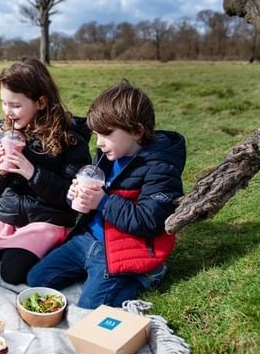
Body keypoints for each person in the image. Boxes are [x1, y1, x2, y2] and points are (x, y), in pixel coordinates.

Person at [27, 80, 186, 309]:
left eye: (106, 134)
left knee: (90, 307)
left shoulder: (160, 167)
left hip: (123, 247)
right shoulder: (107, 155)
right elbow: (93, 195)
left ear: (136, 131)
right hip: (88, 239)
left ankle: (148, 274)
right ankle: (92, 272)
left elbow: (150, 221)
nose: (99, 143)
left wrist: (102, 201)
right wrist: (76, 196)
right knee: (36, 280)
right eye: (96, 134)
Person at [0, 57, 91, 285]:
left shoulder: (69, 139)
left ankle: (52, 249)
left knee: (12, 273)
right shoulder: (2, 132)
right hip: (7, 220)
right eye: (4, 103)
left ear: (41, 102)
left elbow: (70, 196)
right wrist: (0, 173)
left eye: (15, 105)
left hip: (47, 222)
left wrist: (32, 172)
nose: (8, 112)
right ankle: (12, 247)